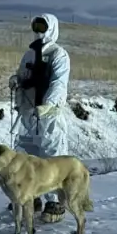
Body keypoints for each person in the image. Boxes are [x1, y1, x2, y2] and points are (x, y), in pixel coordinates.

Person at [8, 13, 71, 223]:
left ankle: (54, 202)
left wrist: (49, 105)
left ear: (52, 28)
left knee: (51, 157)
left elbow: (59, 83)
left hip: (49, 116)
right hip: (29, 113)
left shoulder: (59, 55)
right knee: (26, 155)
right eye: (36, 25)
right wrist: (16, 82)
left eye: (43, 26)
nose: (39, 30)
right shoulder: (29, 55)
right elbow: (23, 76)